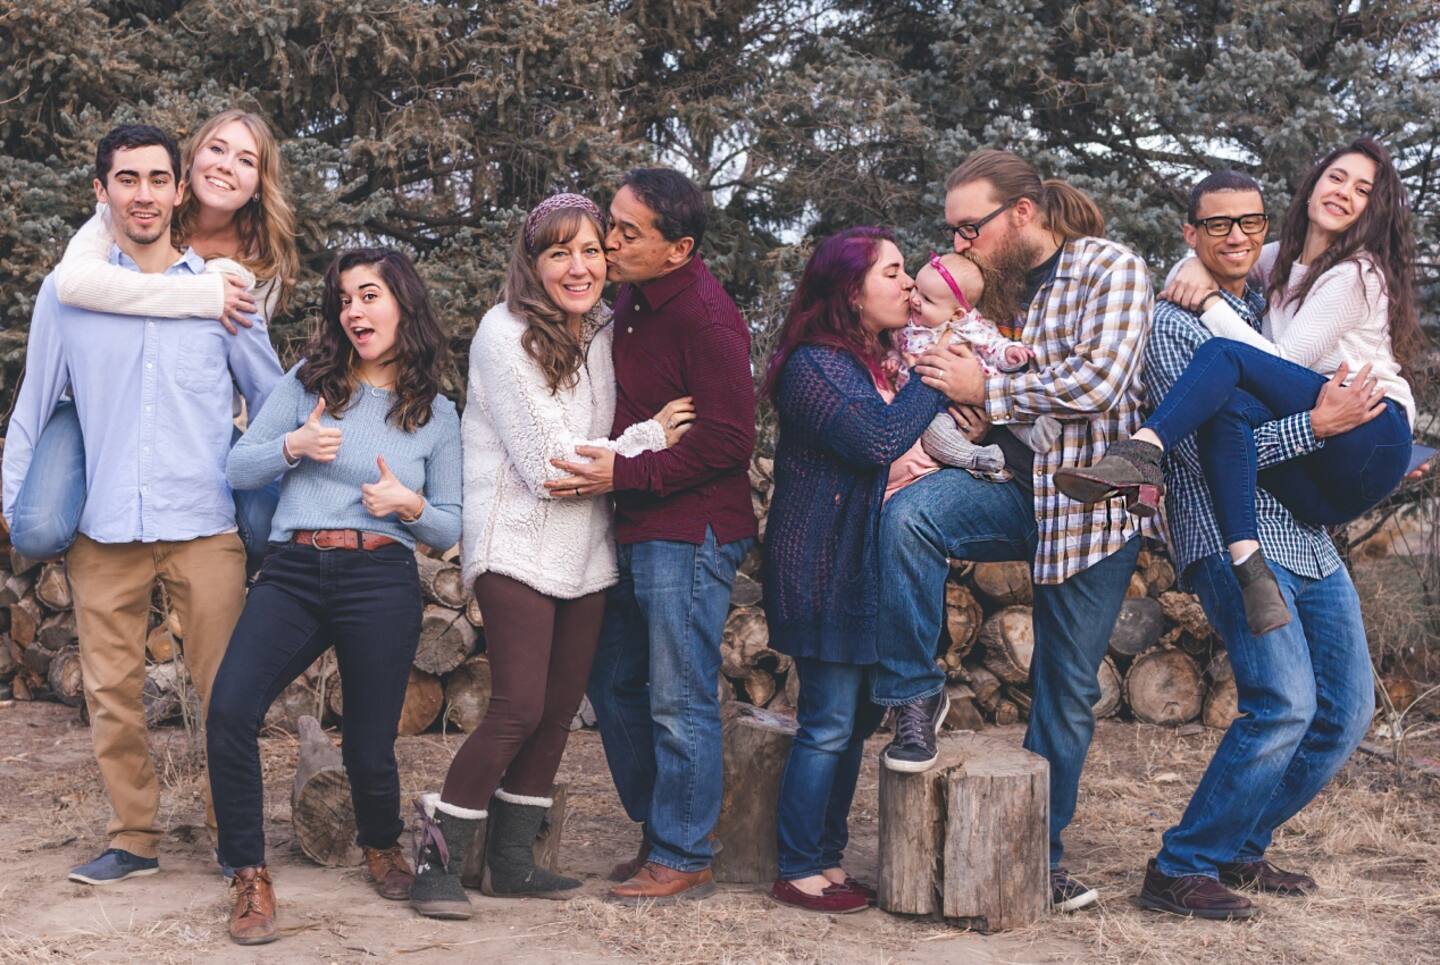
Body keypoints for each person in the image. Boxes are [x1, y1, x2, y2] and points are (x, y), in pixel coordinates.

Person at [1, 124, 284, 886]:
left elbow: (271, 397)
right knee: (111, 694)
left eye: (159, 178)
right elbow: (36, 401)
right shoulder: (69, 295)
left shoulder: (225, 290)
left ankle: (236, 839)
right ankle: (134, 837)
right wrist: (13, 498)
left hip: (203, 521)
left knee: (226, 691)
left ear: (179, 189)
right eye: (127, 179)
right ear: (102, 192)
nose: (145, 193)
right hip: (106, 527)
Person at [879, 149, 1153, 911]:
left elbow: (1101, 382)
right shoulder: (986, 287)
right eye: (953, 230)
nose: (958, 243)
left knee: (1064, 690)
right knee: (908, 517)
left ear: (1021, 214)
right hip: (1008, 485)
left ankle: (1040, 857)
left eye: (970, 227)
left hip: (1089, 506)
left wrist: (989, 389)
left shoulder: (1109, 267)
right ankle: (912, 694)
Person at [408, 194, 693, 919]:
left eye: (592, 250)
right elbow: (547, 467)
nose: (578, 265)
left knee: (561, 708)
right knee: (518, 705)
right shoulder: (503, 334)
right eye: (559, 251)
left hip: (585, 547)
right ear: (532, 262)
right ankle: (435, 855)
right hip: (515, 540)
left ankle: (509, 862)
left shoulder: (602, 327)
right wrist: (648, 438)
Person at [1131, 170, 1387, 919]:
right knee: (1282, 702)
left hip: (1308, 540)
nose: (1236, 237)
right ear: (1190, 233)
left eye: (1250, 222)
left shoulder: (1267, 313)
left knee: (1346, 710)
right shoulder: (1176, 324)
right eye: (1217, 226)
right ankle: (1181, 866)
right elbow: (1206, 450)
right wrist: (1321, 427)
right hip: (1228, 533)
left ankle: (1243, 842)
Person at [1055, 138, 1418, 637]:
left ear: (1371, 210)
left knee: (1223, 356)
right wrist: (1190, 267)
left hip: (1369, 428)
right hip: (1321, 484)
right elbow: (1223, 257)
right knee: (1223, 408)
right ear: (1312, 185)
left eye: (1363, 190)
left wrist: (1208, 306)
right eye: (1336, 178)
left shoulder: (1357, 273)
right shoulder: (1281, 259)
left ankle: (1142, 450)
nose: (1344, 193)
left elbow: (1283, 360)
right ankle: (1248, 562)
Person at [206, 248, 462, 945]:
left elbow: (450, 520)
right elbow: (238, 465)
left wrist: (407, 504)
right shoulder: (307, 383)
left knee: (371, 739)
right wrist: (294, 443)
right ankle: (249, 873)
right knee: (230, 708)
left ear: (402, 304)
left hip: (379, 576)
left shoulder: (435, 413)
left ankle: (382, 846)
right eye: (345, 298)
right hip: (294, 570)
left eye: (369, 295)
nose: (354, 310)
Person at [548, 168, 757, 904]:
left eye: (629, 232)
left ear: (680, 248)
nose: (609, 239)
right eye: (614, 220)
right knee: (611, 681)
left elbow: (731, 441)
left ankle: (683, 850)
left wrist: (622, 474)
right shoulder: (630, 300)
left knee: (679, 694)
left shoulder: (706, 316)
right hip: (636, 525)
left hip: (690, 531)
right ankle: (662, 822)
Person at [7, 108, 298, 571]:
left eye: (247, 160)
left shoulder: (259, 269)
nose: (226, 165)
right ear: (190, 163)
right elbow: (74, 285)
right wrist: (202, 294)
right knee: (38, 528)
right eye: (217, 149)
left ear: (260, 183)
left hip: (194, 415)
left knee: (267, 524)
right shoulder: (137, 209)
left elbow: (255, 375)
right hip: (105, 405)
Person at [761, 227, 950, 913]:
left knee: (851, 723)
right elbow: (875, 438)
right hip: (821, 566)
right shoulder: (814, 364)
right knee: (828, 722)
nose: (909, 285)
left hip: (861, 567)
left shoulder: (868, 360)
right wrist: (934, 374)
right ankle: (797, 864)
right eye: (893, 273)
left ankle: (827, 854)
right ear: (849, 288)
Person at [895, 251, 1061, 476]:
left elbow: (992, 343)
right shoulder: (907, 328)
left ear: (957, 314)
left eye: (926, 299)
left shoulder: (968, 325)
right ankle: (975, 457)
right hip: (939, 408)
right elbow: (900, 358)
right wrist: (892, 365)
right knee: (935, 434)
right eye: (916, 289)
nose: (914, 299)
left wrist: (1009, 352)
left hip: (983, 390)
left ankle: (1034, 435)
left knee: (1006, 404)